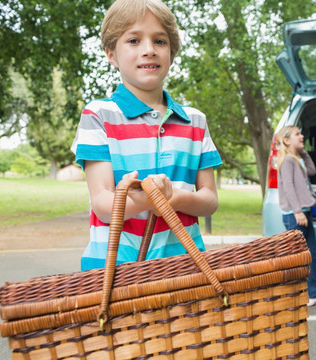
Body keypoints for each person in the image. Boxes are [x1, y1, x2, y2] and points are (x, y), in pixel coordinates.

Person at [71, 0, 222, 271]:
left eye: (160, 41)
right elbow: (103, 204)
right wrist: (144, 199)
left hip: (185, 269)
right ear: (111, 54)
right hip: (114, 272)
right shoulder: (98, 115)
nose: (149, 50)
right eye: (133, 40)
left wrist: (173, 198)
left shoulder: (195, 121)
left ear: (172, 53)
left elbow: (209, 200)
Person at [276, 125, 316, 307]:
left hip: (304, 212)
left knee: (312, 254)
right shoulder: (287, 161)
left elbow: (311, 171)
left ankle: (314, 292)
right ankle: (299, 293)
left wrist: (304, 153)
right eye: (297, 134)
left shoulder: (297, 159)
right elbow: (288, 187)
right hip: (295, 214)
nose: (301, 136)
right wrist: (297, 211)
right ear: (287, 141)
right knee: (298, 257)